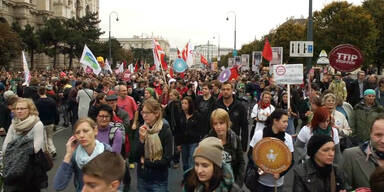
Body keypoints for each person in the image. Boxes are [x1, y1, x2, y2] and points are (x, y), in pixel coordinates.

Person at [53, 118, 112, 192]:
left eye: (86, 131)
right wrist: (68, 155)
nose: (81, 135)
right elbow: (58, 185)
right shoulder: (75, 155)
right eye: (78, 132)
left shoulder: (106, 151)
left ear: (95, 131)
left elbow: (117, 182)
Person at [2, 98, 48, 191]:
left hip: (31, 167)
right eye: (17, 108)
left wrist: (14, 148)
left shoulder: (37, 124)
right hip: (14, 165)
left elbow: (36, 148)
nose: (19, 111)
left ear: (30, 109)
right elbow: (5, 146)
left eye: (22, 108)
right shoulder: (13, 124)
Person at [248, 109, 294, 192]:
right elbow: (250, 154)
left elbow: (291, 160)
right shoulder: (259, 134)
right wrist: (258, 167)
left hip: (277, 184)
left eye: (287, 122)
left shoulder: (288, 138)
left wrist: (280, 174)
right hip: (260, 182)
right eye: (284, 122)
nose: (286, 124)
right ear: (275, 121)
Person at [133, 98, 173, 191]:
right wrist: (142, 140)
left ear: (156, 114)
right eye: (143, 112)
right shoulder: (141, 128)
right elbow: (134, 156)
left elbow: (166, 160)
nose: (144, 115)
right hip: (142, 177)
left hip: (159, 179)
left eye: (147, 113)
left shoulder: (165, 130)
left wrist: (145, 162)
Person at [343, 114, 384, 190]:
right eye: (378, 135)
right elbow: (345, 188)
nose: (383, 141)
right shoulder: (351, 155)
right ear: (370, 133)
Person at [207, 108, 245, 187]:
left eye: (221, 123)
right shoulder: (207, 141)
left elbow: (241, 163)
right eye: (215, 124)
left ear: (227, 123)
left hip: (232, 182)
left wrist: (237, 184)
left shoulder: (235, 139)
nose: (218, 127)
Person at [214, 82, 248, 152]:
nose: (225, 91)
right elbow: (211, 124)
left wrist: (243, 145)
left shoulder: (240, 106)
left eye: (228, 89)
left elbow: (245, 127)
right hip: (218, 142)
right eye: (223, 89)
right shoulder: (216, 105)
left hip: (234, 142)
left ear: (232, 90)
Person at [36, 86, 58, 158]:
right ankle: (52, 150)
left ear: (38, 93)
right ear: (45, 92)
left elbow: (36, 113)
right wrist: (56, 122)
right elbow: (56, 112)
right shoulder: (52, 101)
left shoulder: (37, 102)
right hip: (51, 122)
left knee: (44, 139)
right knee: (49, 137)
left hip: (41, 123)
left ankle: (47, 153)